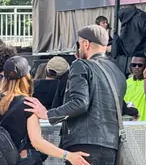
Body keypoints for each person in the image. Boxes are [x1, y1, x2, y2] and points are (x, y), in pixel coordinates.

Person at [25, 25, 127, 165]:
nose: (78, 48)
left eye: (78, 44)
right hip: (111, 147)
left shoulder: (81, 65)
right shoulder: (117, 72)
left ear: (86, 44)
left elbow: (80, 103)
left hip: (83, 145)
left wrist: (48, 114)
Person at [0, 56, 91, 165]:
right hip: (21, 159)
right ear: (27, 78)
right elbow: (37, 142)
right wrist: (68, 155)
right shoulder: (28, 104)